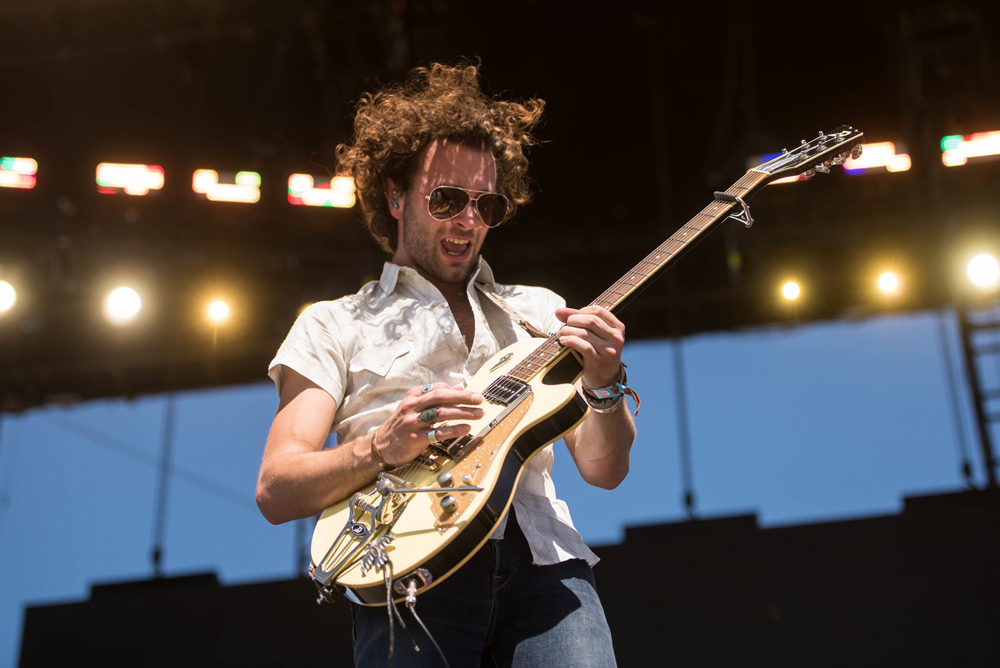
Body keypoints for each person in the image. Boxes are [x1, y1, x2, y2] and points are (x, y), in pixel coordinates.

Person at [256, 62, 636, 667]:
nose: (468, 220)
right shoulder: (332, 323)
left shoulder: (542, 311)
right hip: (406, 571)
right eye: (447, 199)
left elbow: (603, 469)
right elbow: (276, 488)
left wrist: (606, 384)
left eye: (487, 205)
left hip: (546, 568)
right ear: (394, 196)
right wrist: (380, 446)